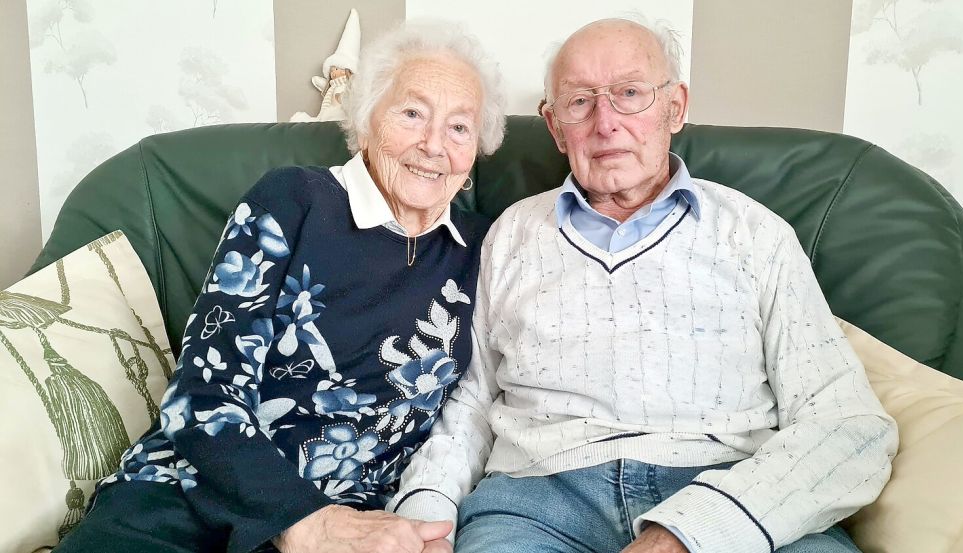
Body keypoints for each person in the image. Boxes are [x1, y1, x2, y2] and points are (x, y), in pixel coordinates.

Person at [389, 18, 899, 553]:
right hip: (536, 505)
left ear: (675, 107)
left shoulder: (755, 233)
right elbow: (470, 401)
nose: (605, 122)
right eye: (580, 102)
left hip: (728, 489)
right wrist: (425, 516)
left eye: (629, 93)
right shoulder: (511, 235)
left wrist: (697, 530)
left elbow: (846, 423)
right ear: (555, 126)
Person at [55, 21, 506, 553]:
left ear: (477, 150)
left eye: (459, 128)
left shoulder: (486, 247)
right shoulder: (294, 200)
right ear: (366, 123)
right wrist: (303, 521)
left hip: (356, 526)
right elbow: (200, 399)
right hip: (191, 498)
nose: (433, 145)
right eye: (412, 114)